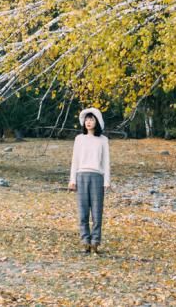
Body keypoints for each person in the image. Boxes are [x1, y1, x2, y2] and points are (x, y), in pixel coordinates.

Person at [68, 107, 110, 254]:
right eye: (86, 119)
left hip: (97, 177)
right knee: (83, 211)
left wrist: (107, 181)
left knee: (97, 212)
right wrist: (72, 179)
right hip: (81, 176)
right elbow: (75, 160)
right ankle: (85, 241)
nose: (88, 122)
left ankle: (95, 242)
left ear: (97, 122)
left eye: (91, 119)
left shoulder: (103, 140)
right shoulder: (79, 139)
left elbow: (106, 161)